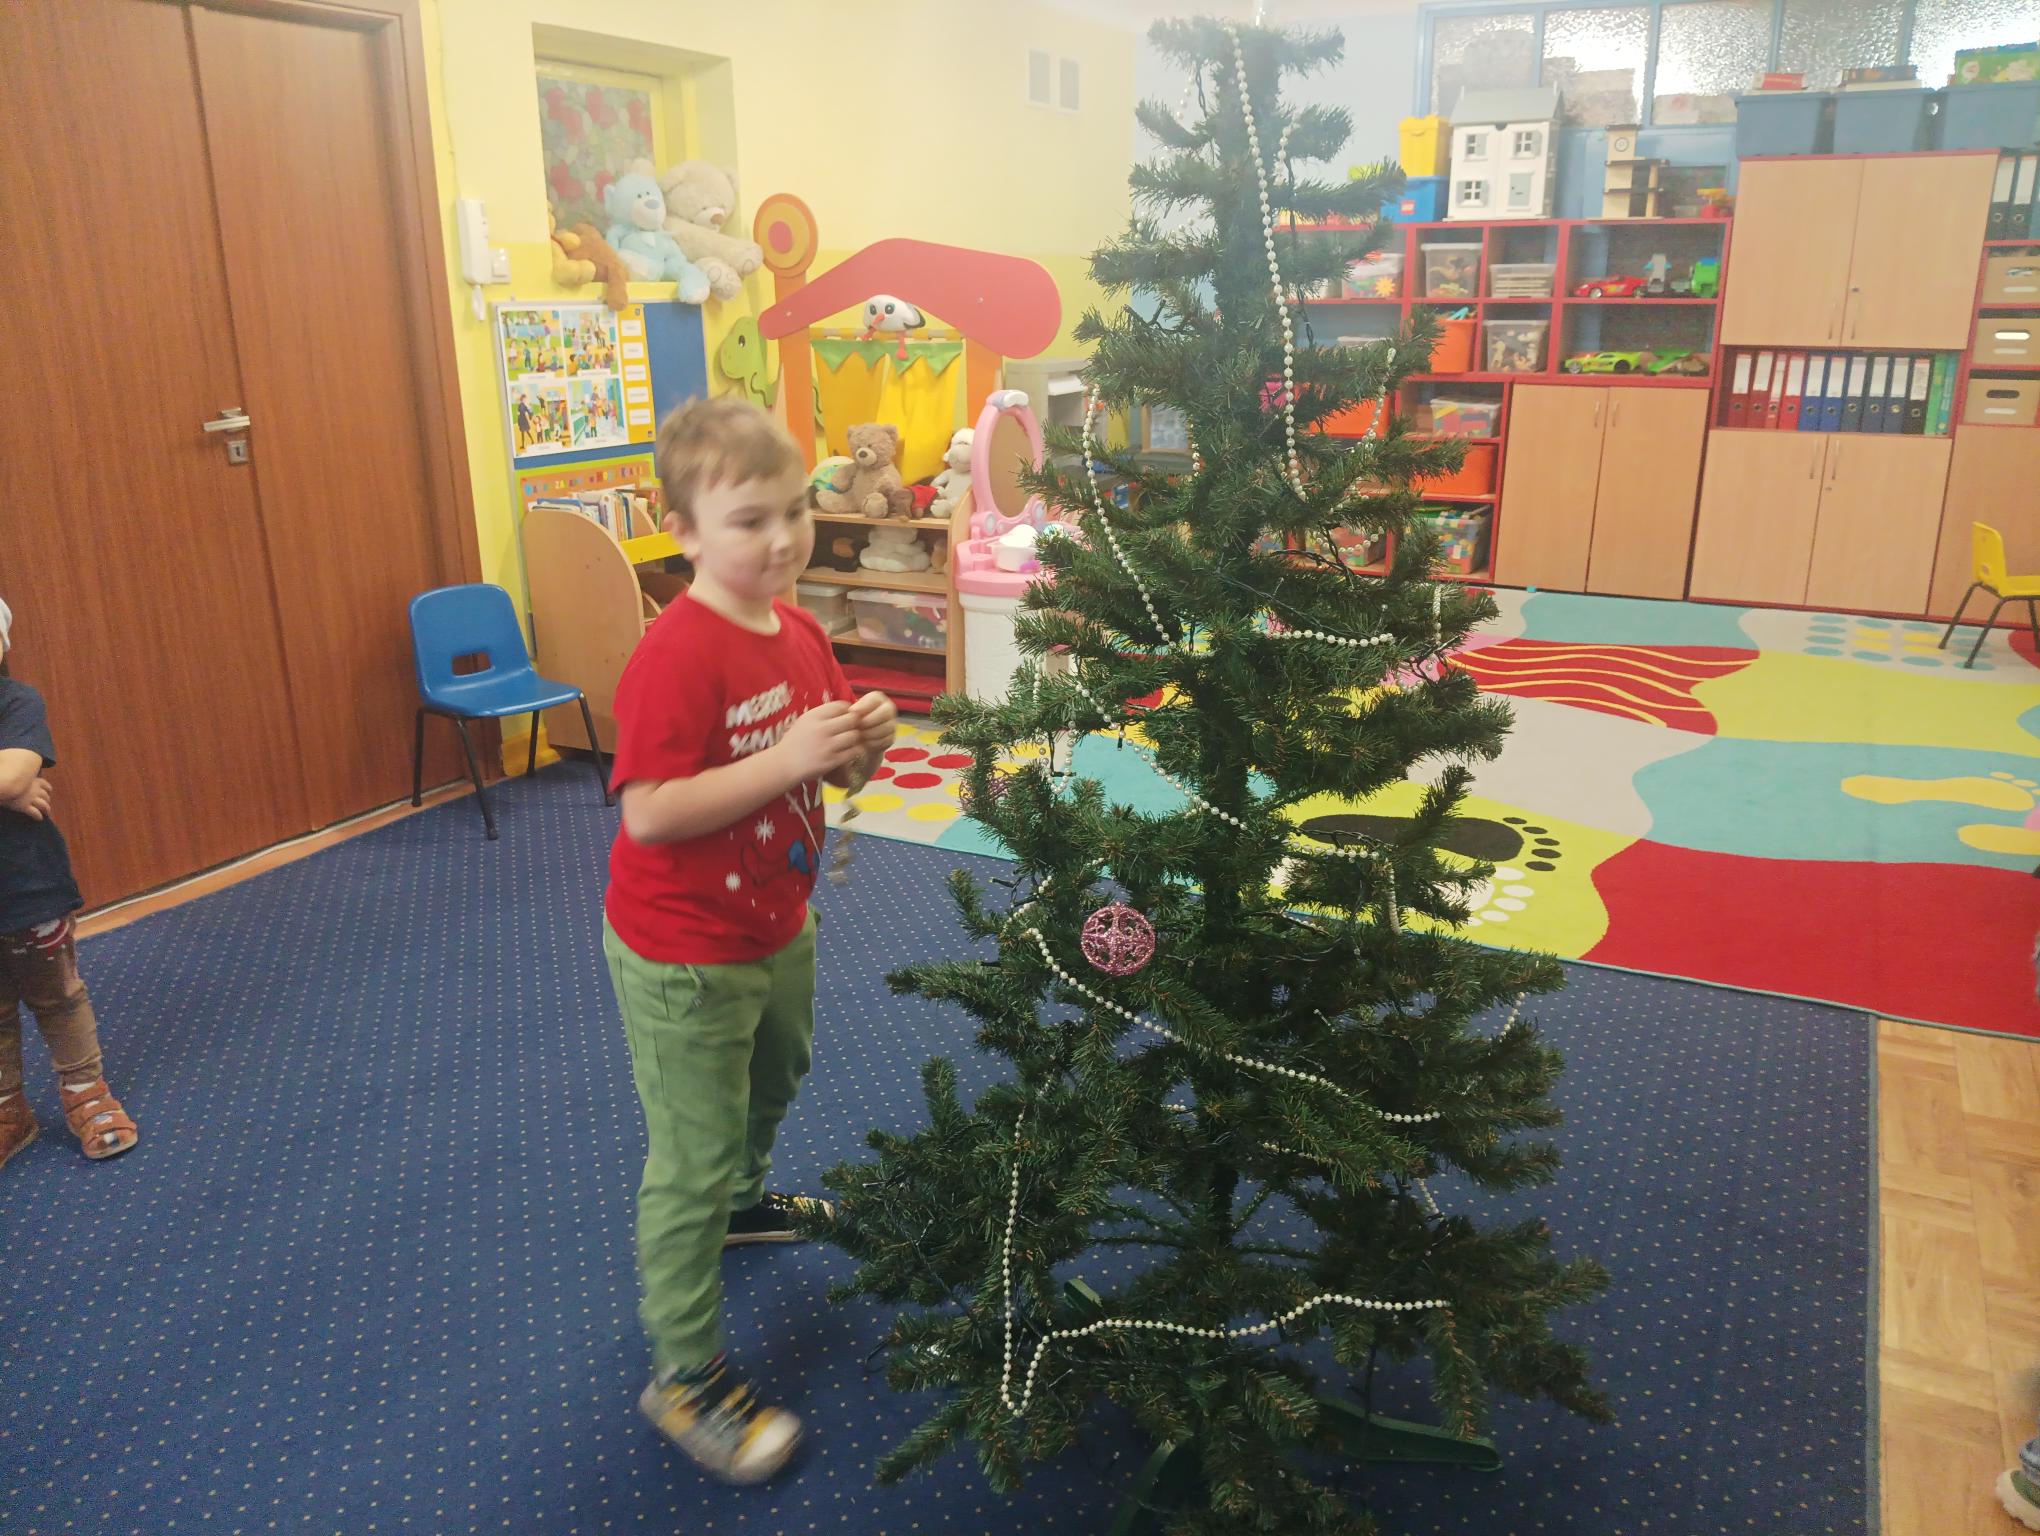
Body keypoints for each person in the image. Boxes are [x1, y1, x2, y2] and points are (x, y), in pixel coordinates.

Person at [603, 396, 896, 1484]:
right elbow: (649, 814)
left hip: (777, 919)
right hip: (681, 951)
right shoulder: (676, 654)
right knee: (688, 1155)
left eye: (793, 513)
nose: (780, 540)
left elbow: (833, 767)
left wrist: (865, 742)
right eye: (747, 521)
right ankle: (685, 1374)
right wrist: (786, 761)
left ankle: (743, 1203)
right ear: (683, 531)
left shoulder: (803, 632)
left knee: (779, 1074)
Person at [0, 597, 139, 1169]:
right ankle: (9, 1112)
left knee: (57, 997)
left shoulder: (16, 702)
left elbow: (14, 774)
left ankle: (87, 1094)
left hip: (28, 888)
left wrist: (11, 785)